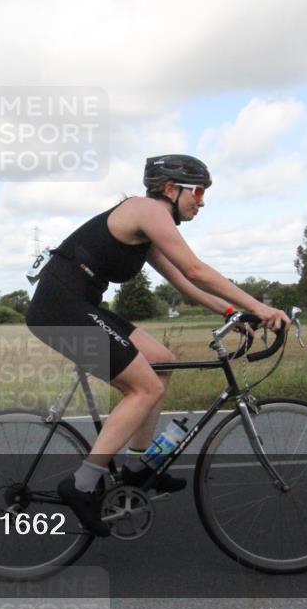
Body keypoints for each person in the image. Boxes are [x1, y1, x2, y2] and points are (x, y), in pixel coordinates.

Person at [25, 154, 290, 536]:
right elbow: (198, 269)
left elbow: (185, 282)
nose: (201, 201)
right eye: (197, 191)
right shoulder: (147, 210)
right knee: (144, 387)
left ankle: (138, 467)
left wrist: (233, 311)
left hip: (77, 304)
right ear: (170, 189)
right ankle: (82, 484)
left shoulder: (148, 227)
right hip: (59, 309)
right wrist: (260, 307)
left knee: (162, 362)